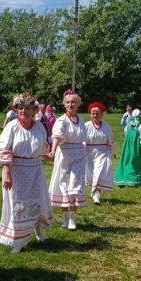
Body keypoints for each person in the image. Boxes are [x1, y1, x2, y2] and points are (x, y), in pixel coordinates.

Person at [0, 94, 53, 252]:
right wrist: (6, 172)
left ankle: (37, 229)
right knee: (18, 204)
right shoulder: (12, 126)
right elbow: (4, 150)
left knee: (36, 199)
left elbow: (42, 148)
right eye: (21, 108)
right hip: (17, 170)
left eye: (28, 108)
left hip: (35, 169)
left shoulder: (39, 127)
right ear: (16, 109)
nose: (24, 111)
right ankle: (18, 240)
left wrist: (48, 156)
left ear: (34, 110)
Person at [49, 90, 89, 230]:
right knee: (64, 186)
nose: (70, 104)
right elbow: (57, 136)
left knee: (75, 186)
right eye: (67, 102)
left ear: (78, 104)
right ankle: (65, 218)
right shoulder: (61, 120)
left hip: (79, 155)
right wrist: (53, 150)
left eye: (73, 102)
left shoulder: (81, 120)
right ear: (64, 104)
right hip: (64, 155)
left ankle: (73, 217)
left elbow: (84, 137)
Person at [83, 102, 114, 205]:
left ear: (102, 114)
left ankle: (96, 195)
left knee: (99, 174)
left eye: (97, 113)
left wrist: (112, 152)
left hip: (102, 153)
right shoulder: (86, 126)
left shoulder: (106, 126)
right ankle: (94, 191)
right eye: (93, 113)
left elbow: (110, 141)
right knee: (91, 175)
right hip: (89, 153)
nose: (95, 116)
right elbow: (83, 141)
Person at [113, 108, 141, 187]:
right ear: (140, 116)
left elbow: (126, 136)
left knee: (127, 161)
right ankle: (135, 179)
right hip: (137, 148)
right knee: (137, 163)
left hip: (127, 147)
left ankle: (125, 178)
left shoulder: (127, 126)